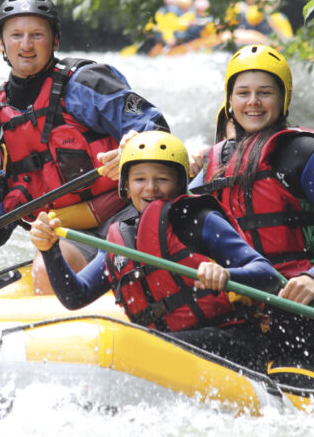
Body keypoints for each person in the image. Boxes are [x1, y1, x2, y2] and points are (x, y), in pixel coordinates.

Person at [0, 0, 169, 294]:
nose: (26, 45)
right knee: (47, 272)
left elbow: (154, 128)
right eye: (16, 35)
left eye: (37, 35)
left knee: (119, 254)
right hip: (67, 229)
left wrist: (135, 144)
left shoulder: (86, 84)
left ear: (55, 41)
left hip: (129, 212)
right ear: (1, 44)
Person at [190, 44, 314, 388]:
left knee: (289, 370)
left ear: (283, 99)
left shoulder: (306, 154)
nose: (253, 102)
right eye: (242, 93)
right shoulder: (212, 163)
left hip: (305, 304)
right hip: (243, 303)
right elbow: (169, 216)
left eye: (265, 92)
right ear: (229, 101)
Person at [29, 131, 281, 371]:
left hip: (230, 340)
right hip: (165, 347)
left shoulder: (199, 219)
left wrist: (227, 275)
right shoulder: (121, 240)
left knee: (133, 344)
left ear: (180, 184)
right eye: (139, 179)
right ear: (125, 187)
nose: (150, 188)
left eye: (162, 179)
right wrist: (50, 250)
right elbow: (75, 296)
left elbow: (267, 275)